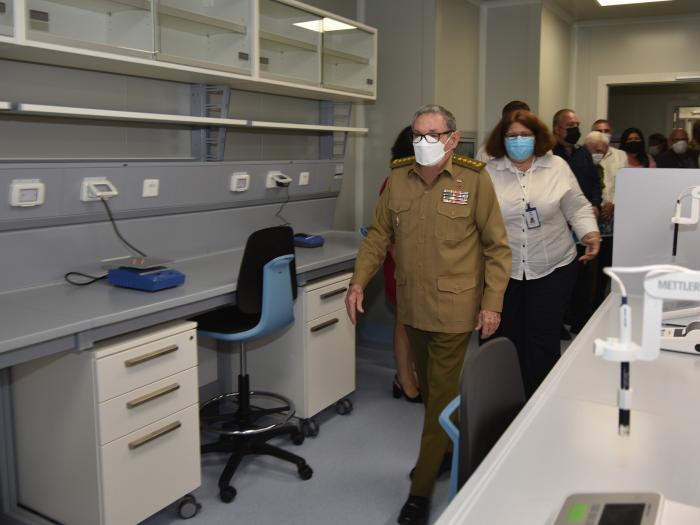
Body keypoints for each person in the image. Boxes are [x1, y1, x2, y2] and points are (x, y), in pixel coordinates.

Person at [345, 104, 511, 525]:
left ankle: (419, 492)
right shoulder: (399, 179)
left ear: (452, 139)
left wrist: (492, 303)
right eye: (417, 134)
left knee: (438, 397)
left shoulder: (475, 180)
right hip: (411, 307)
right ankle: (449, 451)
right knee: (433, 391)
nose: (423, 142)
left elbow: (496, 247)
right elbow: (378, 236)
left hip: (455, 309)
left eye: (432, 135)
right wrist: (358, 281)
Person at [485, 110, 599, 397]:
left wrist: (589, 232)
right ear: (502, 139)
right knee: (504, 337)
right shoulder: (488, 171)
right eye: (512, 136)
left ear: (537, 137)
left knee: (542, 338)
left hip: (553, 266)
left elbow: (577, 206)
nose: (519, 141)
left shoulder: (557, 166)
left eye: (525, 135)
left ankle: (540, 401)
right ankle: (503, 402)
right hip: (504, 270)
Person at [552, 109, 602, 335]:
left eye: (577, 125)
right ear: (557, 129)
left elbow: (595, 183)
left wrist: (595, 204)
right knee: (561, 278)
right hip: (559, 227)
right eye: (570, 126)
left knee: (584, 277)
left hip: (582, 224)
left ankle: (580, 321)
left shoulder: (583, 154)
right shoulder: (549, 156)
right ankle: (558, 323)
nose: (575, 130)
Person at [382, 126, 421, 402]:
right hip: (403, 268)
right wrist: (408, 270)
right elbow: (389, 236)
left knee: (419, 326)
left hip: (427, 269)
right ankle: (404, 379)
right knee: (405, 324)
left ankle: (413, 373)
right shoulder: (394, 184)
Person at [584, 131, 621, 307]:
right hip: (584, 226)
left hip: (607, 225)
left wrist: (611, 205)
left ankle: (599, 302)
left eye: (603, 151)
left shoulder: (600, 167)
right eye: (597, 150)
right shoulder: (578, 165)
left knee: (604, 268)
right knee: (586, 273)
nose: (600, 154)